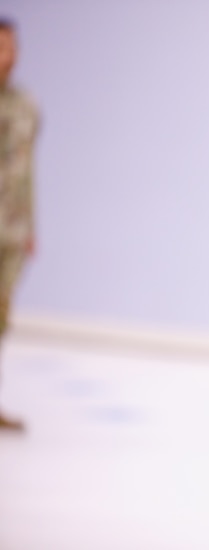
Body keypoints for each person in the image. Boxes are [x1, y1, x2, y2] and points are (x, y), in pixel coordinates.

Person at [0, 18, 38, 431]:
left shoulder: (26, 105)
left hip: (11, 232)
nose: (7, 56)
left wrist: (30, 226)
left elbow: (27, 173)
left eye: (11, 48)